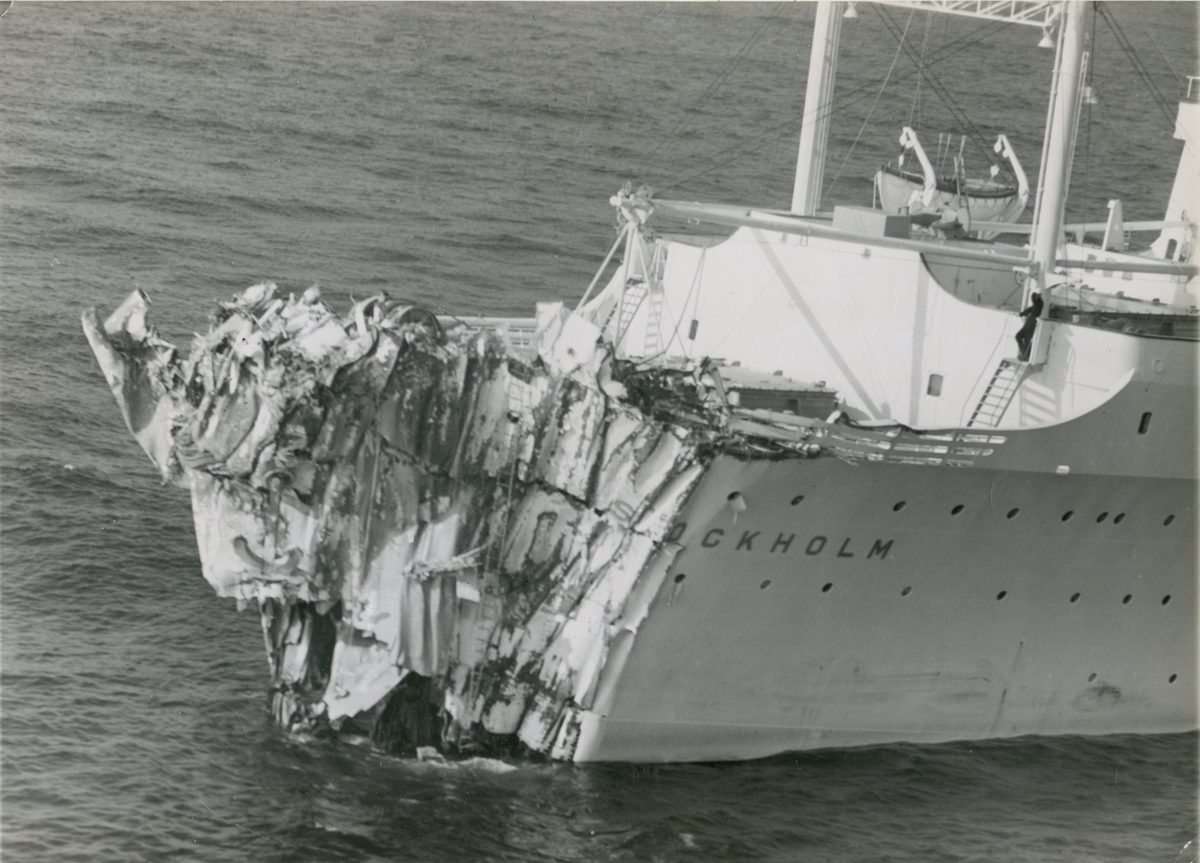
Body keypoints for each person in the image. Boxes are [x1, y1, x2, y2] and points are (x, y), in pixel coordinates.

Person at [1015, 292, 1043, 361]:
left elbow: (1035, 301)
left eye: (1037, 295)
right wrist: (1021, 314)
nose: (1035, 297)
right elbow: (1029, 310)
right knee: (1018, 336)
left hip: (1032, 323)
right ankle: (1022, 352)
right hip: (1029, 322)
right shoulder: (1035, 304)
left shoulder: (1040, 303)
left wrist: (1034, 296)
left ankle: (1025, 357)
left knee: (1027, 341)